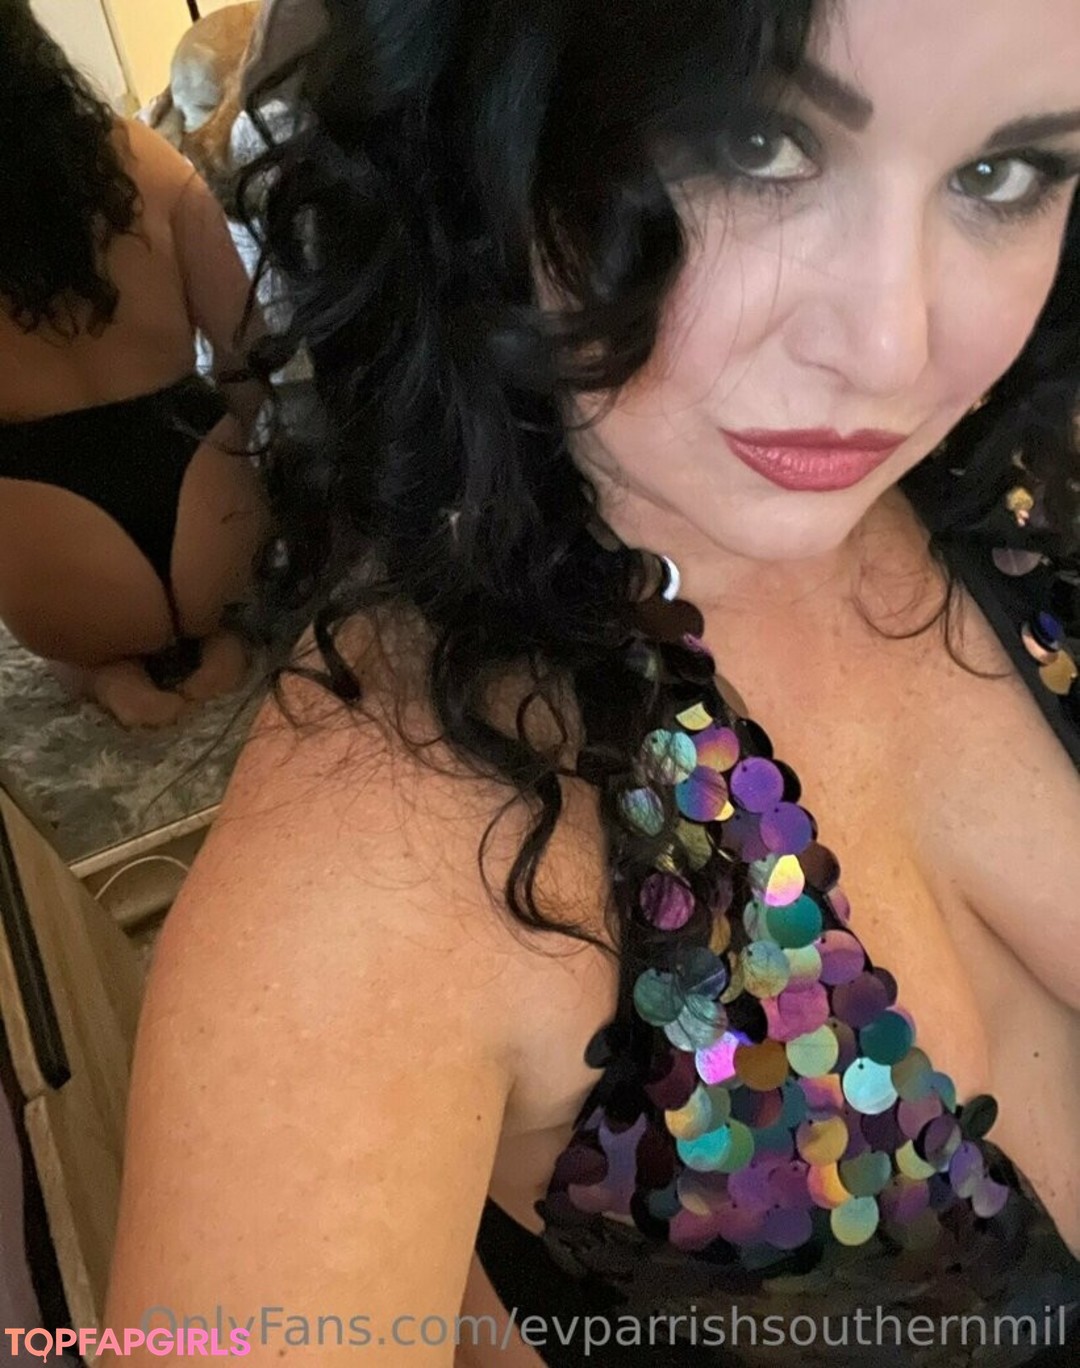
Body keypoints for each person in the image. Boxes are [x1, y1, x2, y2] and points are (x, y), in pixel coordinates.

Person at [105, 0, 1080, 1364]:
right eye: (755, 143)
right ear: (488, 113)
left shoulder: (1030, 485)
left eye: (1003, 171)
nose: (893, 349)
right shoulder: (375, 871)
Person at [0, 0, 270, 729]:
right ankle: (220, 634)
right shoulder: (145, 158)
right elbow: (246, 345)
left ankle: (102, 671)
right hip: (209, 519)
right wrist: (254, 471)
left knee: (75, 636)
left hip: (62, 560)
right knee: (225, 595)